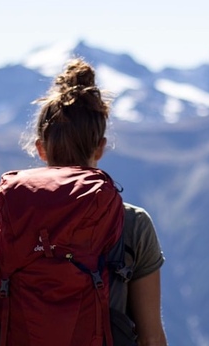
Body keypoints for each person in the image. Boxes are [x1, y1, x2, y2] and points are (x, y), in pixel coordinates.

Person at [21, 58, 169, 346]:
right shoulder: (132, 224)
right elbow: (151, 338)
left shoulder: (3, 222)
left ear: (40, 149)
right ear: (100, 147)